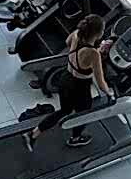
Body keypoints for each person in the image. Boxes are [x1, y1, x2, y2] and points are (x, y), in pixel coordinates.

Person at [23, 14, 113, 151]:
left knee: (64, 110)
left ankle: (33, 134)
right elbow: (101, 83)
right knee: (83, 115)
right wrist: (110, 93)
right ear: (99, 33)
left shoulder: (76, 34)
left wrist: (94, 49)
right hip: (80, 88)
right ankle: (75, 139)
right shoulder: (93, 54)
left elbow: (67, 42)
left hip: (65, 79)